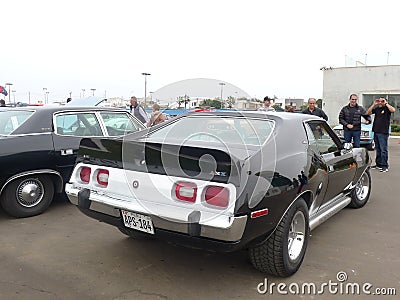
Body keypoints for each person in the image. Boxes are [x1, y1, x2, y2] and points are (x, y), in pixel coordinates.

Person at [366, 97, 396, 172]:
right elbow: (368, 113)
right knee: (378, 149)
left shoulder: (387, 109)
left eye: (382, 101)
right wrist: (373, 104)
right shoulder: (377, 109)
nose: (380, 102)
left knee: (383, 150)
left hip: (383, 132)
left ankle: (384, 165)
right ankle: (378, 164)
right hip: (376, 131)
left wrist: (386, 103)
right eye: (379, 101)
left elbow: (393, 110)